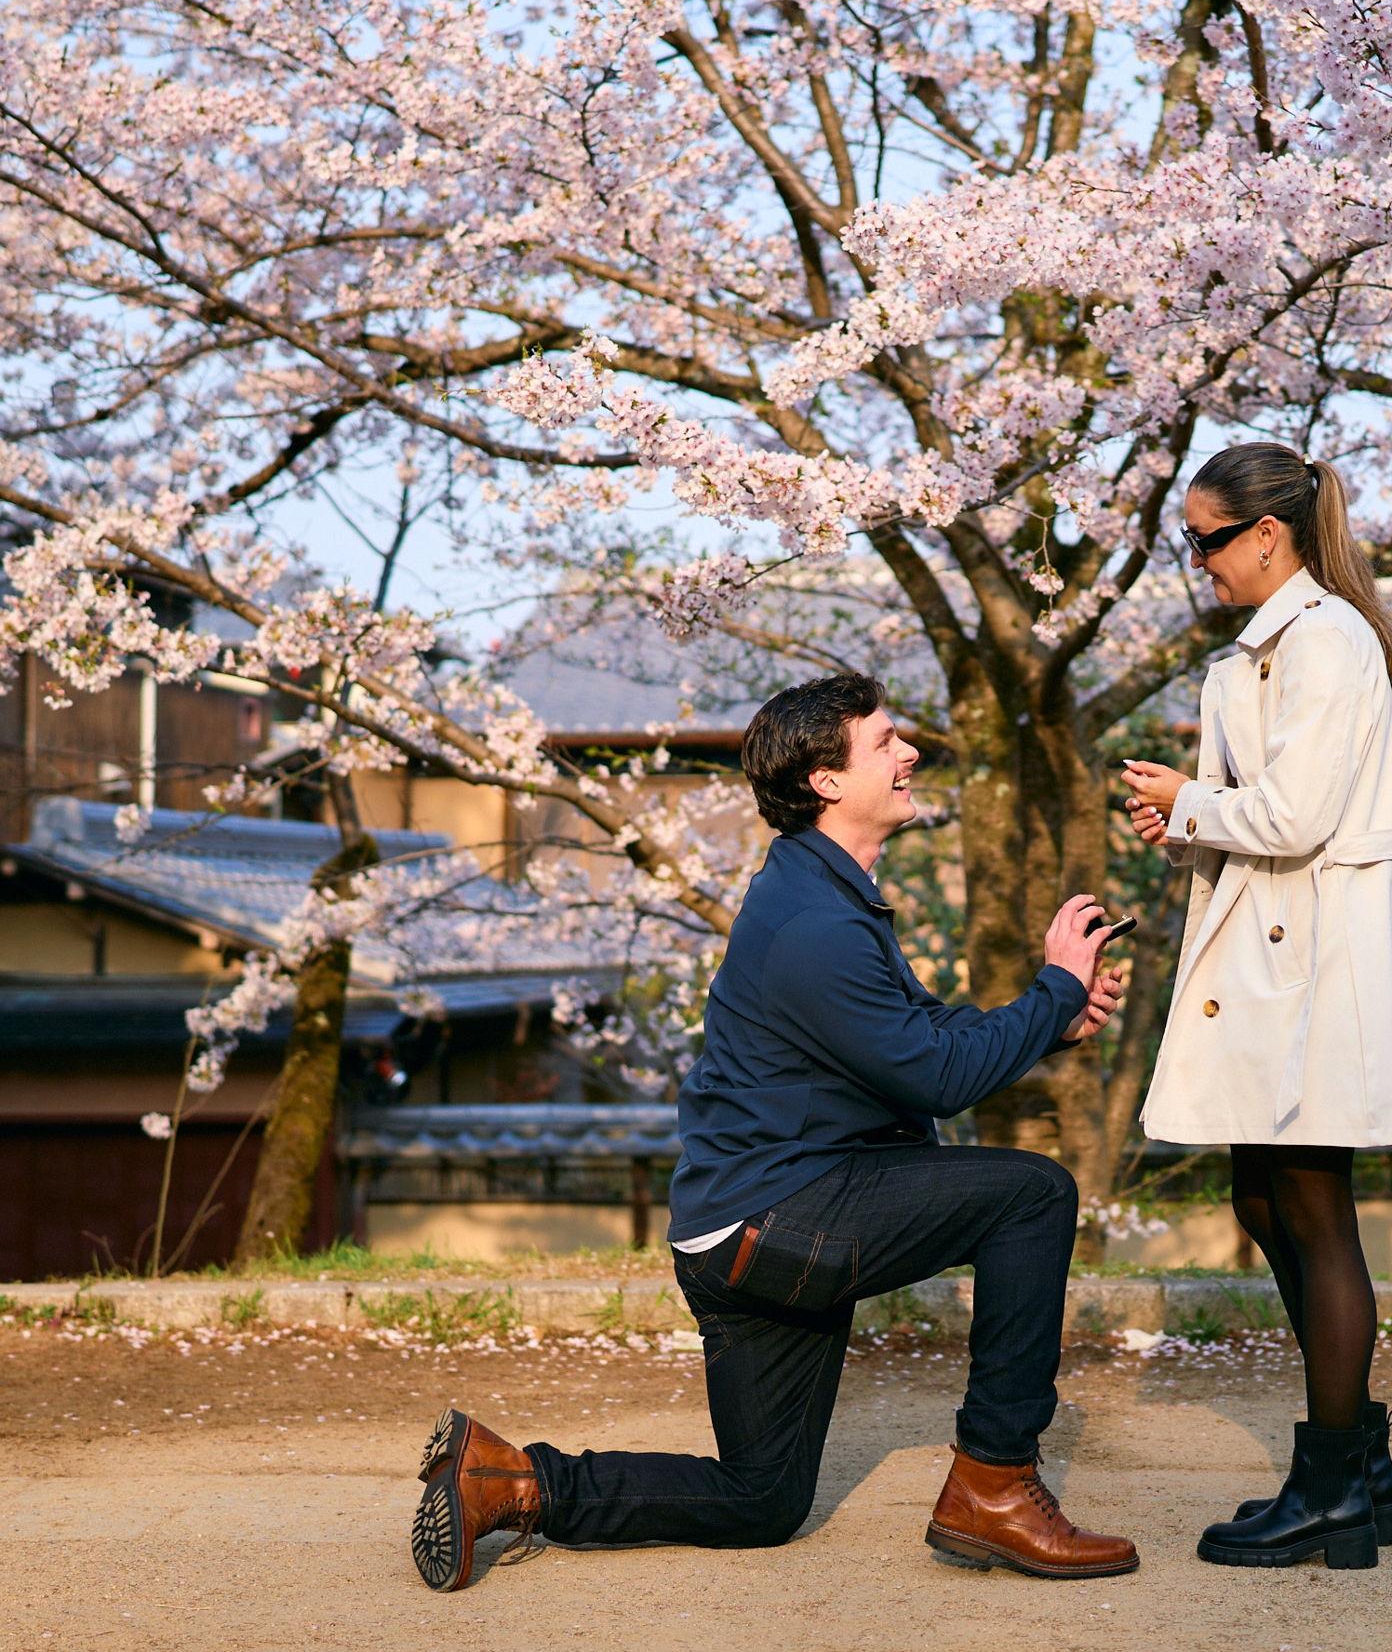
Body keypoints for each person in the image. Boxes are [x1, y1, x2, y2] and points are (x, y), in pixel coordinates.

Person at [410, 672, 1138, 1591]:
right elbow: (937, 1076)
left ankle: (509, 1480)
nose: (909, 752)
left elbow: (920, 1038)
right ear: (827, 780)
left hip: (744, 1228)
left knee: (763, 1498)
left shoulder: (823, 892)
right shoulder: (814, 920)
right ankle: (995, 1487)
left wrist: (1051, 1017)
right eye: (885, 741)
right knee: (1035, 1195)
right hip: (780, 1218)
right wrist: (1055, 988)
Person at [1121, 444, 1392, 1572]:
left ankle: (1329, 1488)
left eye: (1207, 538)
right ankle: (1357, 1462)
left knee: (1313, 1210)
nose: (1197, 561)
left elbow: (1298, 813)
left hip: (1320, 959)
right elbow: (1257, 818)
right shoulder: (1261, 654)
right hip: (1281, 951)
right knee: (1265, 1197)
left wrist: (1189, 802)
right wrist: (1186, 818)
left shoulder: (1325, 640)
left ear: (1267, 536)